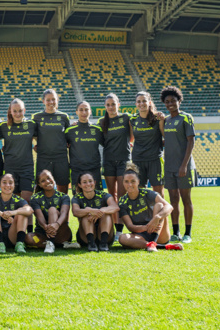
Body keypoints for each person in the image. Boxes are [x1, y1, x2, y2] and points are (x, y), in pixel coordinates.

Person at [118, 163, 184, 252]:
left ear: (138, 181)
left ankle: (154, 241)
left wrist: (157, 217)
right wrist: (146, 227)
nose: (129, 184)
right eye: (126, 181)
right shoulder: (122, 201)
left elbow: (169, 206)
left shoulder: (146, 193)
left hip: (159, 232)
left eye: (133, 181)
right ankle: (158, 246)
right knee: (122, 238)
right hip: (140, 235)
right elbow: (130, 227)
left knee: (160, 205)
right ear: (123, 183)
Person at [161, 86, 196, 243]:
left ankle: (188, 233)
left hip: (184, 166)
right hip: (169, 167)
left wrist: (184, 165)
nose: (170, 104)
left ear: (179, 101)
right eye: (167, 102)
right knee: (173, 199)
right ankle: (176, 233)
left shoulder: (186, 117)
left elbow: (191, 141)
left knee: (185, 199)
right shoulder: (166, 121)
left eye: (173, 101)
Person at [98, 93, 133, 240]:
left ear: (118, 104)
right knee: (112, 196)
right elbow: (101, 141)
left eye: (113, 104)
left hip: (124, 160)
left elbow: (132, 137)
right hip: (108, 161)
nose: (111, 107)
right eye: (108, 105)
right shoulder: (102, 122)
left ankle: (120, 229)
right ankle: (112, 229)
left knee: (123, 195)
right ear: (105, 107)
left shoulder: (126, 118)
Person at [0, 98, 37, 205]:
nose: (18, 113)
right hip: (10, 168)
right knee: (14, 202)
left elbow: (39, 140)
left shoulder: (31, 124)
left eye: (20, 110)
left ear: (24, 110)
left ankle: (28, 223)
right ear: (10, 111)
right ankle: (15, 222)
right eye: (15, 111)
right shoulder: (4, 126)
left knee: (26, 201)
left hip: (27, 168)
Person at [32, 89, 71, 194]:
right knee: (41, 190)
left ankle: (62, 210)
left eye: (53, 99)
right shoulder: (36, 117)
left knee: (63, 191)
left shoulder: (64, 117)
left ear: (57, 100)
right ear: (43, 101)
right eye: (48, 100)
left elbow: (69, 137)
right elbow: (31, 135)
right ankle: (42, 211)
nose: (51, 102)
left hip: (61, 158)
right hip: (43, 158)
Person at [0, 174, 33, 254]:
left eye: (10, 183)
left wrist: (13, 212)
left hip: (11, 236)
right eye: (4, 182)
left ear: (14, 185)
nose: (7, 185)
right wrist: (2, 214)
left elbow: (29, 210)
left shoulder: (18, 199)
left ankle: (19, 244)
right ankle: (0, 244)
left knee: (22, 213)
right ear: (0, 185)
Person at [26, 170, 74, 253]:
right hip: (44, 233)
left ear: (53, 178)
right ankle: (59, 245)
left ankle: (51, 242)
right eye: (43, 181)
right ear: (39, 185)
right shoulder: (35, 198)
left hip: (62, 233)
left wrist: (56, 224)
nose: (47, 181)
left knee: (52, 210)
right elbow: (39, 217)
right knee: (28, 238)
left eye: (49, 178)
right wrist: (45, 226)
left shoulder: (64, 196)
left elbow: (64, 214)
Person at [71, 172, 119, 252]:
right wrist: (89, 211)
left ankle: (103, 243)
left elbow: (115, 207)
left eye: (90, 181)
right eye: (84, 182)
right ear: (79, 185)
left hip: (105, 234)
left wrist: (101, 211)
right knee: (86, 214)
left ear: (95, 182)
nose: (88, 184)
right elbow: (75, 212)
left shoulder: (104, 195)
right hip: (85, 237)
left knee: (106, 213)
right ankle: (91, 244)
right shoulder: (77, 198)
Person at [129, 91, 165, 197]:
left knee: (158, 192)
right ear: (136, 104)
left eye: (144, 101)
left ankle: (161, 214)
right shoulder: (133, 120)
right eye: (138, 101)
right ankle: (144, 214)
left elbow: (165, 137)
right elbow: (130, 139)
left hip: (155, 159)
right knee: (139, 191)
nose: (141, 104)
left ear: (149, 102)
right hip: (138, 160)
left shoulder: (158, 118)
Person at [65, 101, 104, 192]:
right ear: (76, 112)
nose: (83, 112)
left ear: (90, 111)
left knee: (98, 198)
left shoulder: (97, 129)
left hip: (94, 169)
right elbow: (61, 144)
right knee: (77, 199)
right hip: (76, 170)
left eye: (86, 110)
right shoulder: (70, 130)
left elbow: (108, 144)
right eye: (81, 110)